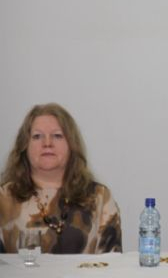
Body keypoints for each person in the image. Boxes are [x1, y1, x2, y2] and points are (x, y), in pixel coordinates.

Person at [0, 103, 122, 253]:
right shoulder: (3, 198)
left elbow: (112, 263)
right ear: (24, 146)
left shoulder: (99, 197)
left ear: (72, 145)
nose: (47, 143)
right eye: (37, 136)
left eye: (57, 136)